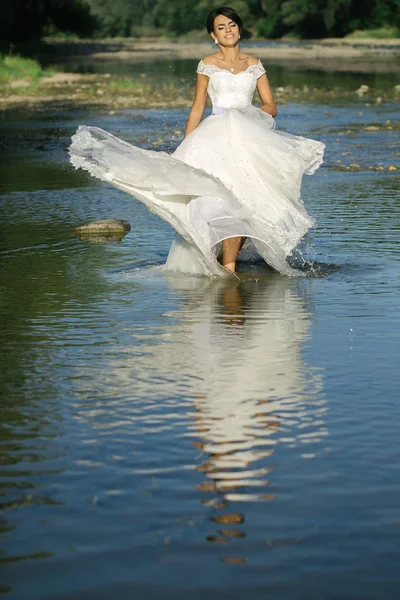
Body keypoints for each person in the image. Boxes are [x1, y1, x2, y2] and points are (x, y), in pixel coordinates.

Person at [69, 6, 325, 277]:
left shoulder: (254, 64)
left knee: (248, 198)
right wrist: (184, 147)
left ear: (239, 28)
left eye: (232, 25)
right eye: (221, 27)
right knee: (220, 198)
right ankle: (226, 266)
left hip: (248, 137)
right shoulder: (207, 65)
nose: (228, 30)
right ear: (213, 35)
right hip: (213, 137)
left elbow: (271, 105)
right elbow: (197, 108)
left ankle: (230, 267)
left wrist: (252, 114)